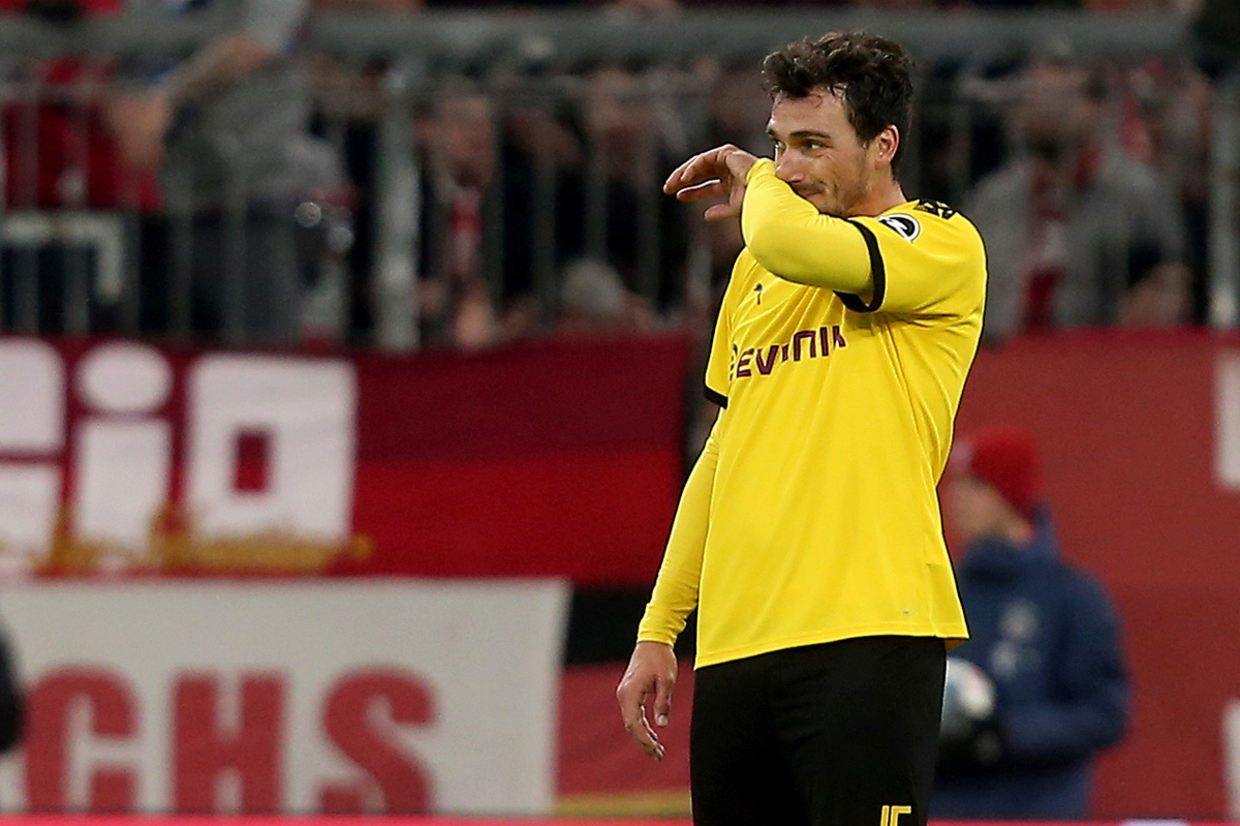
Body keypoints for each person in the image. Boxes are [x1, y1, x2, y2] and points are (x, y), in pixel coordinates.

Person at [615, 31, 987, 826]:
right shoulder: (757, 270)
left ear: (884, 145)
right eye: (778, 144)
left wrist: (749, 178)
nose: (786, 168)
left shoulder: (941, 245)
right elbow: (724, 452)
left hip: (870, 633)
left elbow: (789, 236)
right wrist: (659, 629)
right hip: (738, 646)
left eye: (813, 145)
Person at [106, 0, 348, 345]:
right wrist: (129, 117)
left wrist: (166, 102)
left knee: (260, 356)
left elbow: (250, 47)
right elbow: (124, 57)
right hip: (167, 200)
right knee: (156, 354)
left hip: (255, 198)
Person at [933, 424, 1130, 820]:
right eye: (956, 485)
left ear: (1010, 493)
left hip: (1037, 810)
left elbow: (1104, 714)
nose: (957, 499)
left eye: (976, 485)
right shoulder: (938, 589)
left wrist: (1002, 735)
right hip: (944, 810)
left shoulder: (1072, 597)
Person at [967, 58, 1189, 340]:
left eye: (1061, 96)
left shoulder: (1138, 192)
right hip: (1000, 353)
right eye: (1035, 95)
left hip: (1099, 354)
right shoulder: (993, 196)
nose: (1045, 108)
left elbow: (1167, 288)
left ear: (1099, 108)